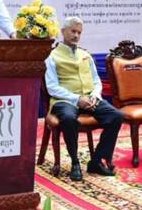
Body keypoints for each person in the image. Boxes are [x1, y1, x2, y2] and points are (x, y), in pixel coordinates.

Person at [45, 17, 122, 182]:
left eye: (79, 32)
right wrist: (76, 99)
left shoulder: (85, 55)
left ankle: (96, 161)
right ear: (63, 31)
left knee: (115, 116)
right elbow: (52, 87)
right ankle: (75, 162)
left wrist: (94, 96)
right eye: (73, 31)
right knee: (68, 118)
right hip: (64, 100)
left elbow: (96, 81)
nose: (76, 35)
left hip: (89, 98)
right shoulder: (52, 56)